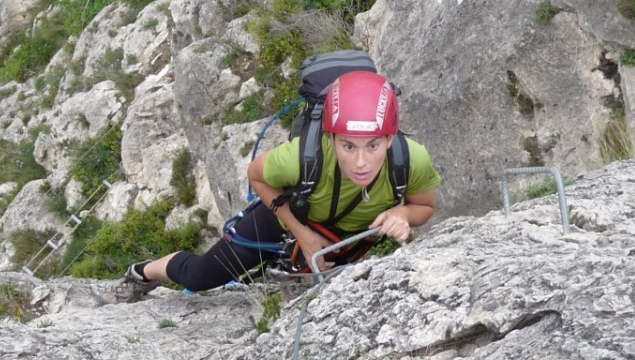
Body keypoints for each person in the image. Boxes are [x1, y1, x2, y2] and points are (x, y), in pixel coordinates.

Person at [120, 70, 439, 300]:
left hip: (344, 243)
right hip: (285, 220)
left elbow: (424, 206)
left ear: (389, 138)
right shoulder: (302, 158)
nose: (360, 162)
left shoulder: (411, 160)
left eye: (373, 146)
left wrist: (402, 214)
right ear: (330, 137)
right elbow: (256, 176)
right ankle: (143, 272)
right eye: (348, 146)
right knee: (201, 277)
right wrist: (303, 234)